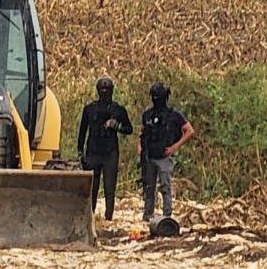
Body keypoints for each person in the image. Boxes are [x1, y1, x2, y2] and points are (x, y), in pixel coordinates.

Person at [77, 77, 134, 221]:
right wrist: (80, 152)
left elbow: (129, 129)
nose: (104, 92)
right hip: (93, 152)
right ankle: (90, 215)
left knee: (110, 187)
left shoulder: (118, 110)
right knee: (91, 187)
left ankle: (108, 217)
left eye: (107, 90)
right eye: (102, 90)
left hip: (110, 152)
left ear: (111, 91)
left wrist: (117, 126)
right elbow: (82, 131)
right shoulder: (89, 109)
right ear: (98, 91)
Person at [138, 82, 194, 221]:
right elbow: (142, 133)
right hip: (149, 156)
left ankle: (167, 216)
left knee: (165, 187)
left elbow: (189, 130)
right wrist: (139, 148)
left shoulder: (174, 115)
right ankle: (147, 216)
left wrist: (175, 147)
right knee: (149, 188)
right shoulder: (147, 115)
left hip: (164, 156)